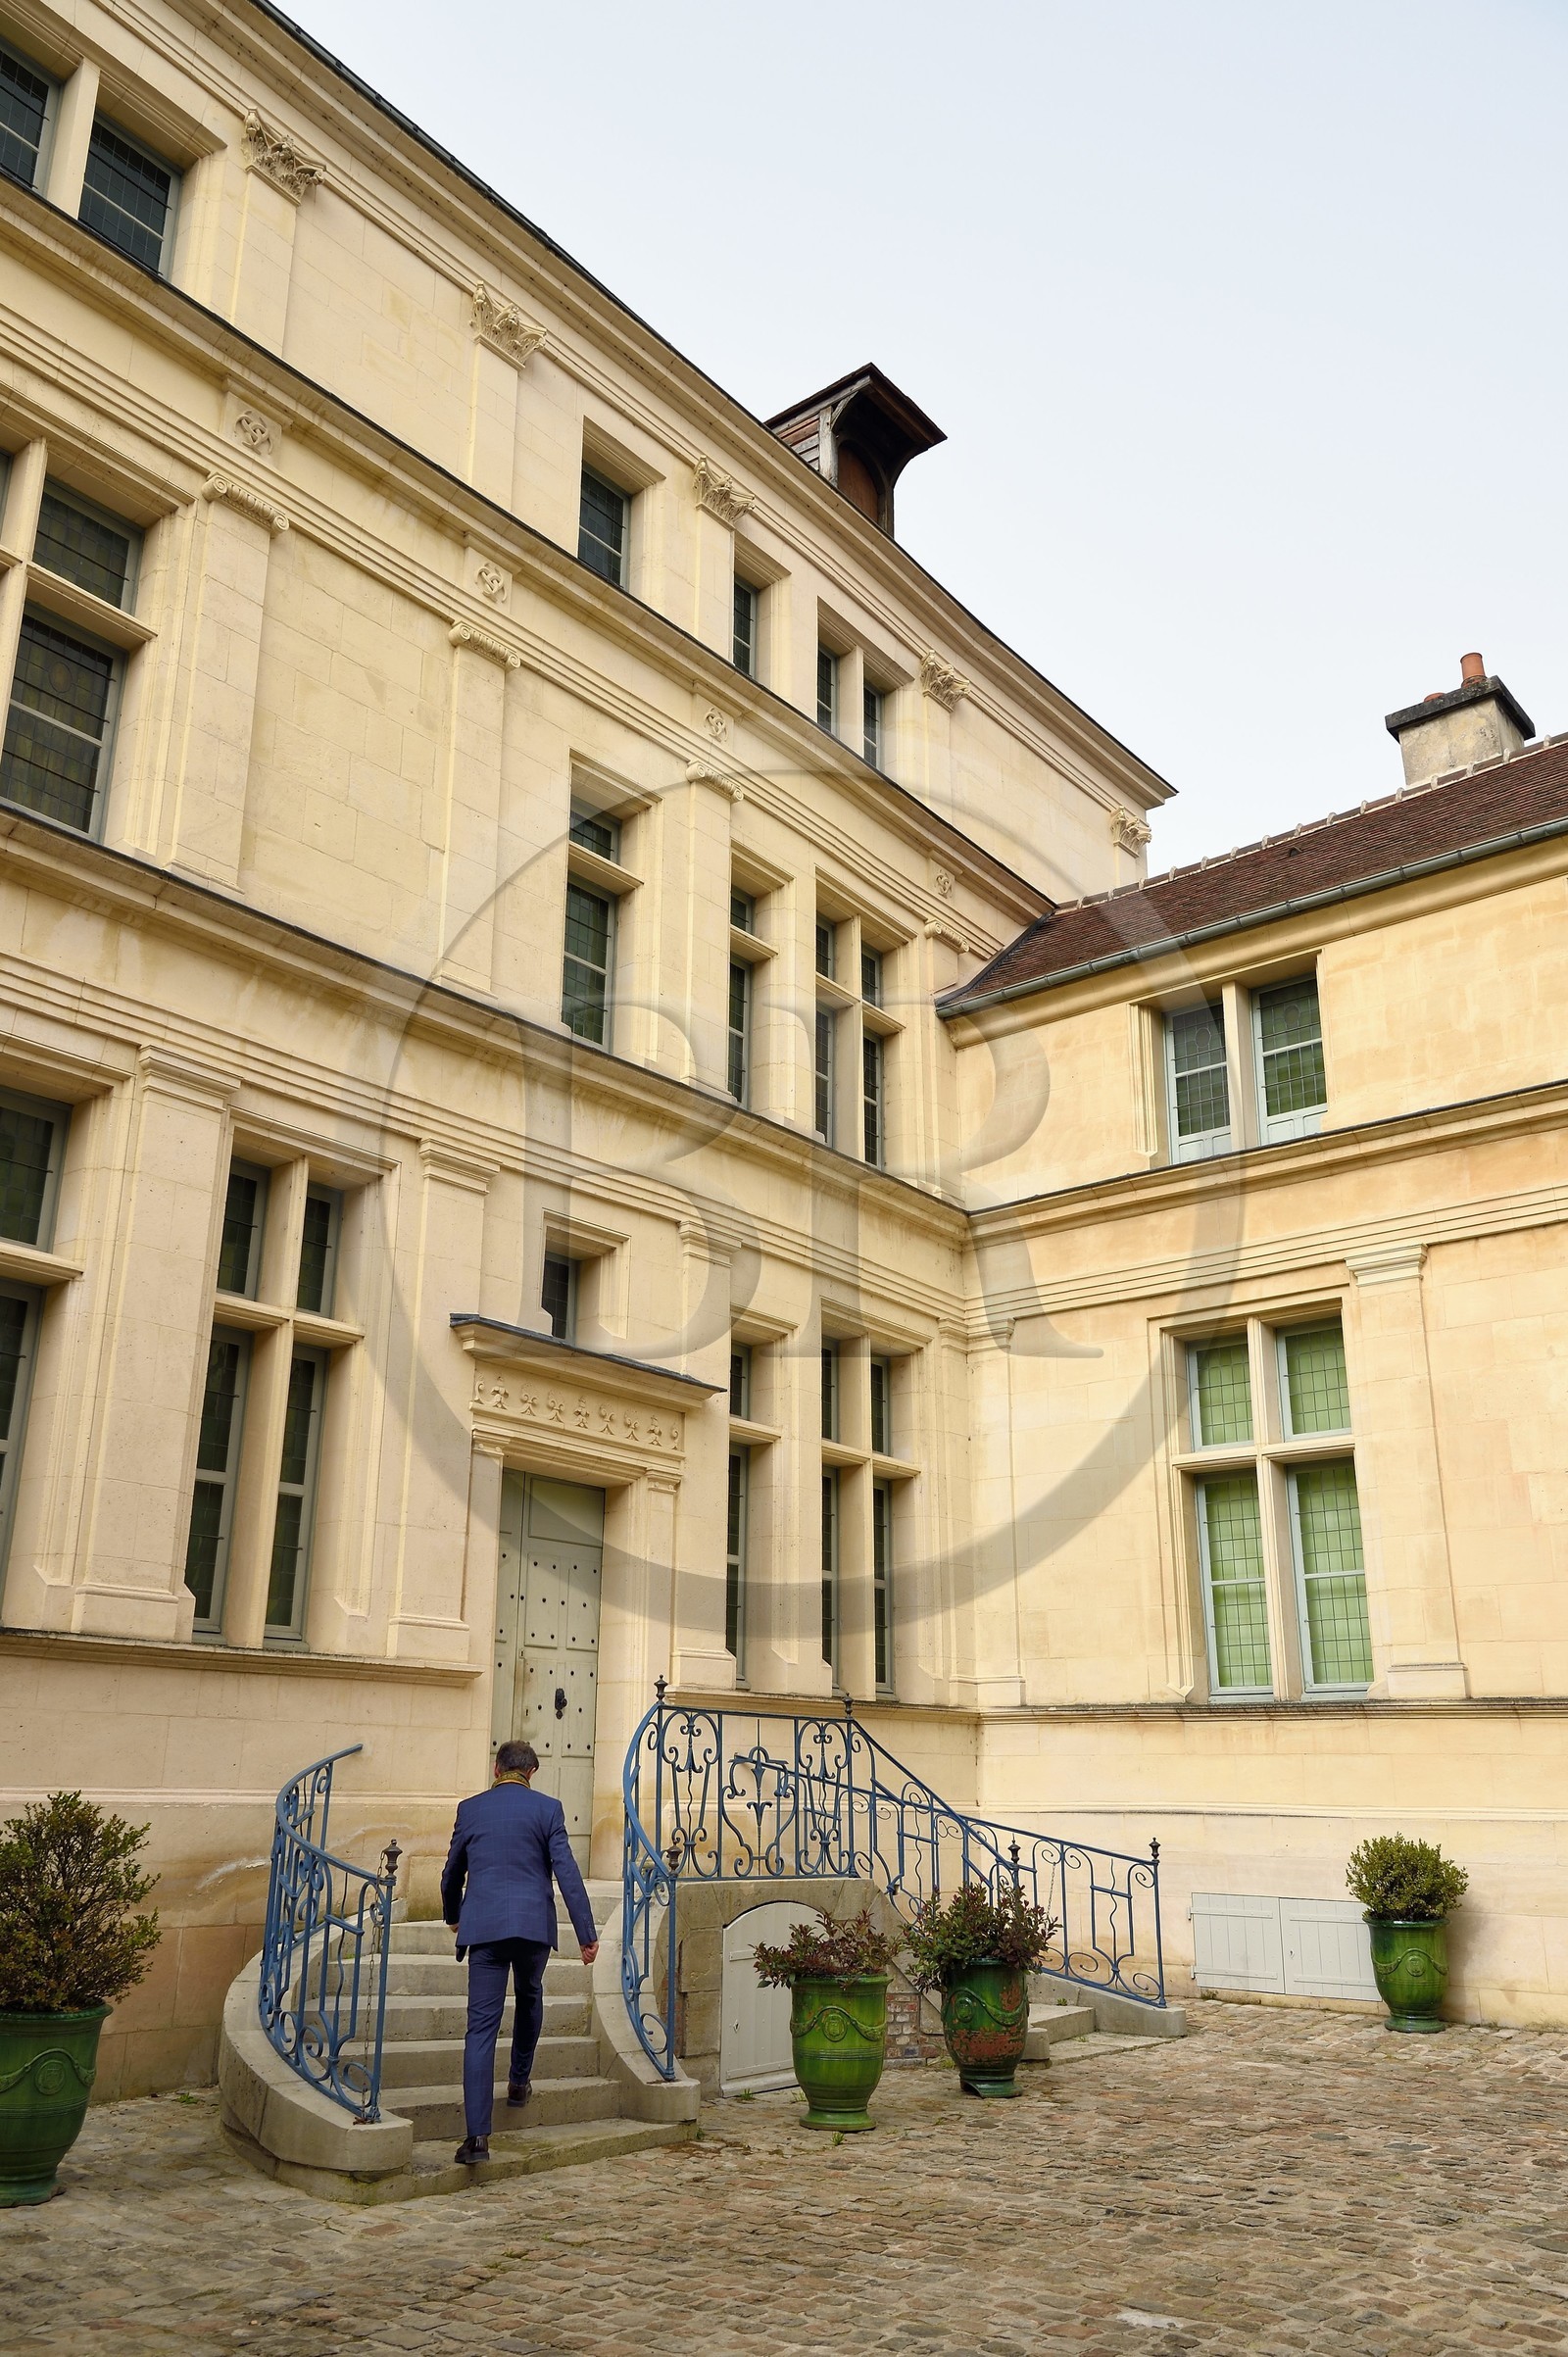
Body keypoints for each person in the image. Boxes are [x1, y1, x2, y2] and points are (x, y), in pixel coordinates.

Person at [440, 1739, 600, 2167]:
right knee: (530, 1995)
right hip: (531, 1928)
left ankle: (476, 2139)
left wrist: (453, 1914)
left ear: (497, 1769)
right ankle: (518, 2081)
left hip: (485, 1929)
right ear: (531, 1772)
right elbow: (568, 1874)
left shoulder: (470, 1809)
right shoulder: (548, 1809)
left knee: (480, 2028)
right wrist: (586, 1934)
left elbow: (452, 1870)